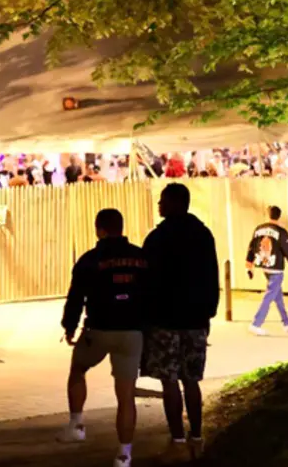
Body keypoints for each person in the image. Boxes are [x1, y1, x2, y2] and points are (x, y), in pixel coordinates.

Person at [59, 209, 147, 467]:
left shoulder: (89, 259)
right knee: (126, 394)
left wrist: (69, 326)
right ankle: (124, 454)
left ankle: (76, 425)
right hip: (131, 332)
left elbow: (76, 297)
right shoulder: (141, 257)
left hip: (98, 330)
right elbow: (152, 293)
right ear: (121, 227)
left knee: (78, 369)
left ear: (100, 229)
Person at [142, 183, 219, 459]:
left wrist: (146, 318)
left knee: (169, 380)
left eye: (162, 200)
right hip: (196, 319)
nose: (159, 205)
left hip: (164, 320)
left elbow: (147, 282)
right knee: (192, 380)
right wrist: (209, 311)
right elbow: (212, 274)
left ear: (175, 203)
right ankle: (197, 436)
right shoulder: (203, 234)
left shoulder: (156, 239)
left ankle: (176, 438)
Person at [246, 206, 288, 335]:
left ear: (268, 214)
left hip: (264, 266)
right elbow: (287, 249)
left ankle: (286, 322)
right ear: (279, 216)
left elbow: (251, 246)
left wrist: (249, 262)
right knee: (270, 295)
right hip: (276, 268)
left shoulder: (259, 229)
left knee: (277, 295)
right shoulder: (281, 232)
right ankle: (256, 323)